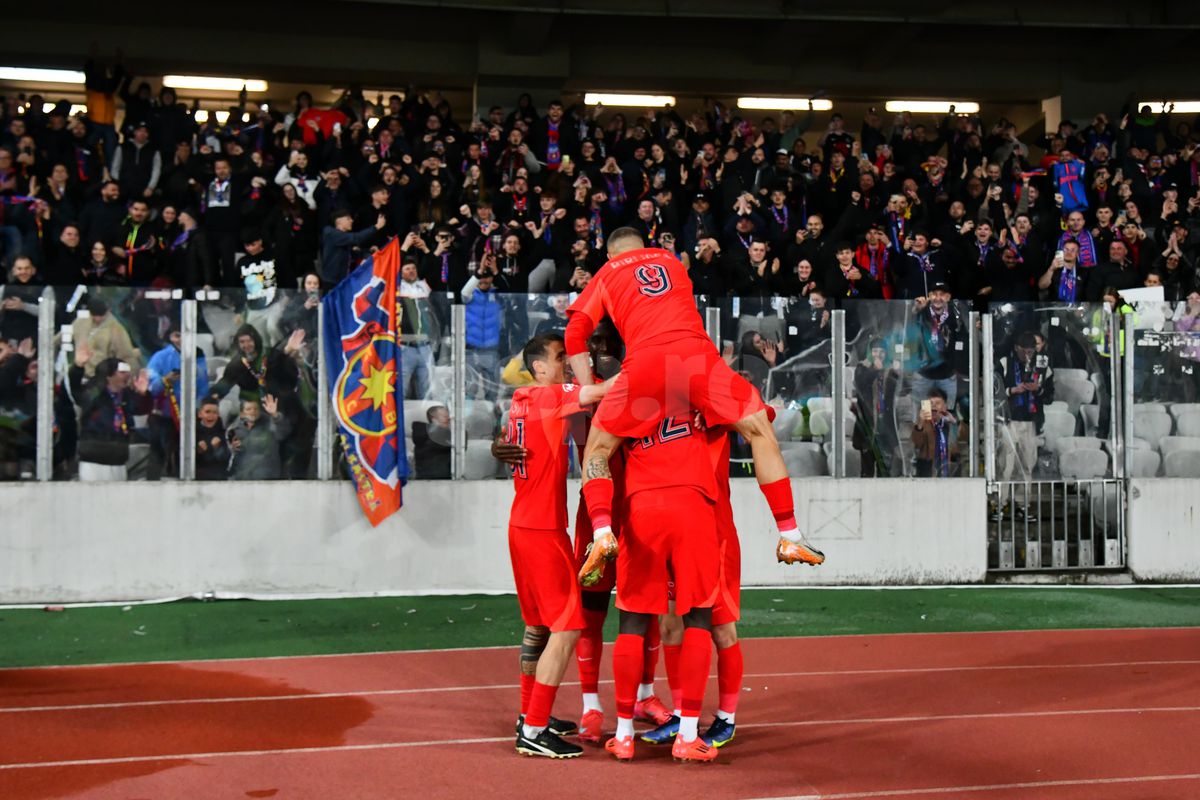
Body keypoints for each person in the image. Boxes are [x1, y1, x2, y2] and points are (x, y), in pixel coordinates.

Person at [565, 228, 825, 590]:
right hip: (696, 356)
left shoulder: (608, 273)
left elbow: (575, 332)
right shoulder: (673, 261)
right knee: (759, 429)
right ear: (646, 247)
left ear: (611, 255)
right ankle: (790, 535)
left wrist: (589, 388)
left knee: (598, 451)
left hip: (644, 362)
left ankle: (603, 532)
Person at [506, 332, 613, 759]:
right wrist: (655, 365)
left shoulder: (520, 401)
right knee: (568, 628)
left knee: (539, 626)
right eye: (559, 358)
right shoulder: (550, 397)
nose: (566, 363)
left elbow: (512, 445)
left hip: (523, 525)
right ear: (540, 369)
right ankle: (533, 730)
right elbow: (604, 389)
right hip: (542, 531)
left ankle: (529, 714)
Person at [601, 409, 721, 764]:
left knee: (632, 622)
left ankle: (623, 735)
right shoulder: (698, 391)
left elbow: (594, 449)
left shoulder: (626, 393)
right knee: (698, 616)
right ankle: (687, 735)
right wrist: (711, 416)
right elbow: (758, 412)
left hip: (642, 506)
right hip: (692, 504)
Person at [997, 332, 1054, 517]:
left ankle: (1023, 505)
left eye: (1031, 352)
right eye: (1024, 352)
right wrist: (1012, 390)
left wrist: (1039, 389)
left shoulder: (1042, 365)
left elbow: (1050, 396)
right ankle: (999, 503)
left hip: (1031, 421)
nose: (1028, 356)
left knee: (1027, 465)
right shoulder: (1004, 362)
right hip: (1008, 420)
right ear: (1016, 348)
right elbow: (993, 391)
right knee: (1006, 465)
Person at [71, 356, 152, 481]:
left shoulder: (126, 395)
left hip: (118, 458)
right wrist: (78, 367)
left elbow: (141, 410)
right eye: (122, 372)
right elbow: (77, 390)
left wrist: (143, 394)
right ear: (109, 375)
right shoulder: (94, 392)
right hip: (93, 458)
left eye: (127, 372)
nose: (127, 375)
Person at [227, 394, 291, 480]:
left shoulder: (269, 425)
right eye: (249, 409)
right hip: (242, 480)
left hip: (267, 479)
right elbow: (225, 456)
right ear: (242, 413)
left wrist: (275, 415)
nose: (253, 411)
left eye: (255, 409)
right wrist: (231, 448)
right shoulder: (233, 430)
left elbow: (282, 433)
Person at [321, 208, 385, 287]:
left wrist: (369, 250)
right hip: (331, 282)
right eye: (348, 218)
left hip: (341, 280)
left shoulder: (343, 238)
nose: (351, 221)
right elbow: (356, 238)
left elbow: (352, 254)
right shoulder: (332, 233)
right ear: (338, 221)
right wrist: (376, 227)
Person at [911, 387, 957, 478]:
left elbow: (962, 442)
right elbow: (917, 444)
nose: (933, 406)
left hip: (947, 470)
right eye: (931, 403)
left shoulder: (949, 422)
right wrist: (920, 423)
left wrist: (954, 423)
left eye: (938, 403)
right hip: (928, 471)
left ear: (945, 406)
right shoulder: (923, 424)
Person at [412, 404, 451, 479]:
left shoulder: (448, 435)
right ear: (434, 419)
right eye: (445, 417)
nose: (449, 419)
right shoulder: (425, 436)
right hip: (429, 480)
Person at [195, 397, 230, 481]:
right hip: (197, 479)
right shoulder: (192, 432)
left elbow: (229, 459)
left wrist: (217, 448)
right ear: (200, 414)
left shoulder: (225, 432)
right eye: (207, 412)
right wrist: (197, 450)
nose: (211, 415)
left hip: (219, 478)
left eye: (215, 412)